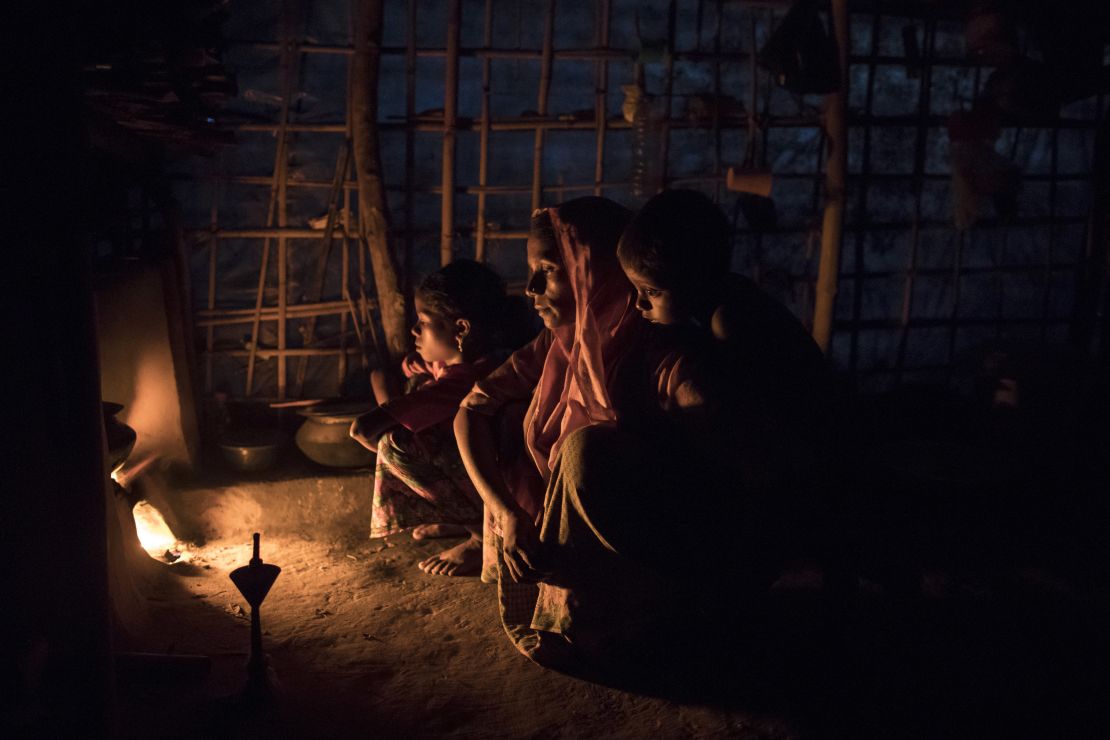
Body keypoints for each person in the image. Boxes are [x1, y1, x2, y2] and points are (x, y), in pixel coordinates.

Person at [454, 197, 714, 668]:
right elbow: (469, 410)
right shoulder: (561, 341)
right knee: (513, 417)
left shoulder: (659, 346)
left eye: (549, 270)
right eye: (531, 270)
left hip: (655, 543)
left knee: (583, 447)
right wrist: (506, 512)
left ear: (593, 271)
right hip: (586, 533)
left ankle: (632, 612)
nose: (530, 287)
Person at [617, 188, 836, 576]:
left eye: (651, 292)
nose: (639, 304)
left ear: (692, 279)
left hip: (807, 450)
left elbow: (746, 411)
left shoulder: (728, 319)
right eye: (636, 291)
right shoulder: (724, 297)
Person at [349, 259, 508, 577]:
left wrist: (390, 434)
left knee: (398, 446)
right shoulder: (460, 362)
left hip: (499, 480)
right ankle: (457, 516)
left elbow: (361, 430)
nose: (414, 330)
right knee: (407, 417)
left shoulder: (463, 382)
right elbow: (386, 373)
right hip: (478, 472)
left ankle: (481, 536)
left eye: (423, 322)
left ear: (461, 328)